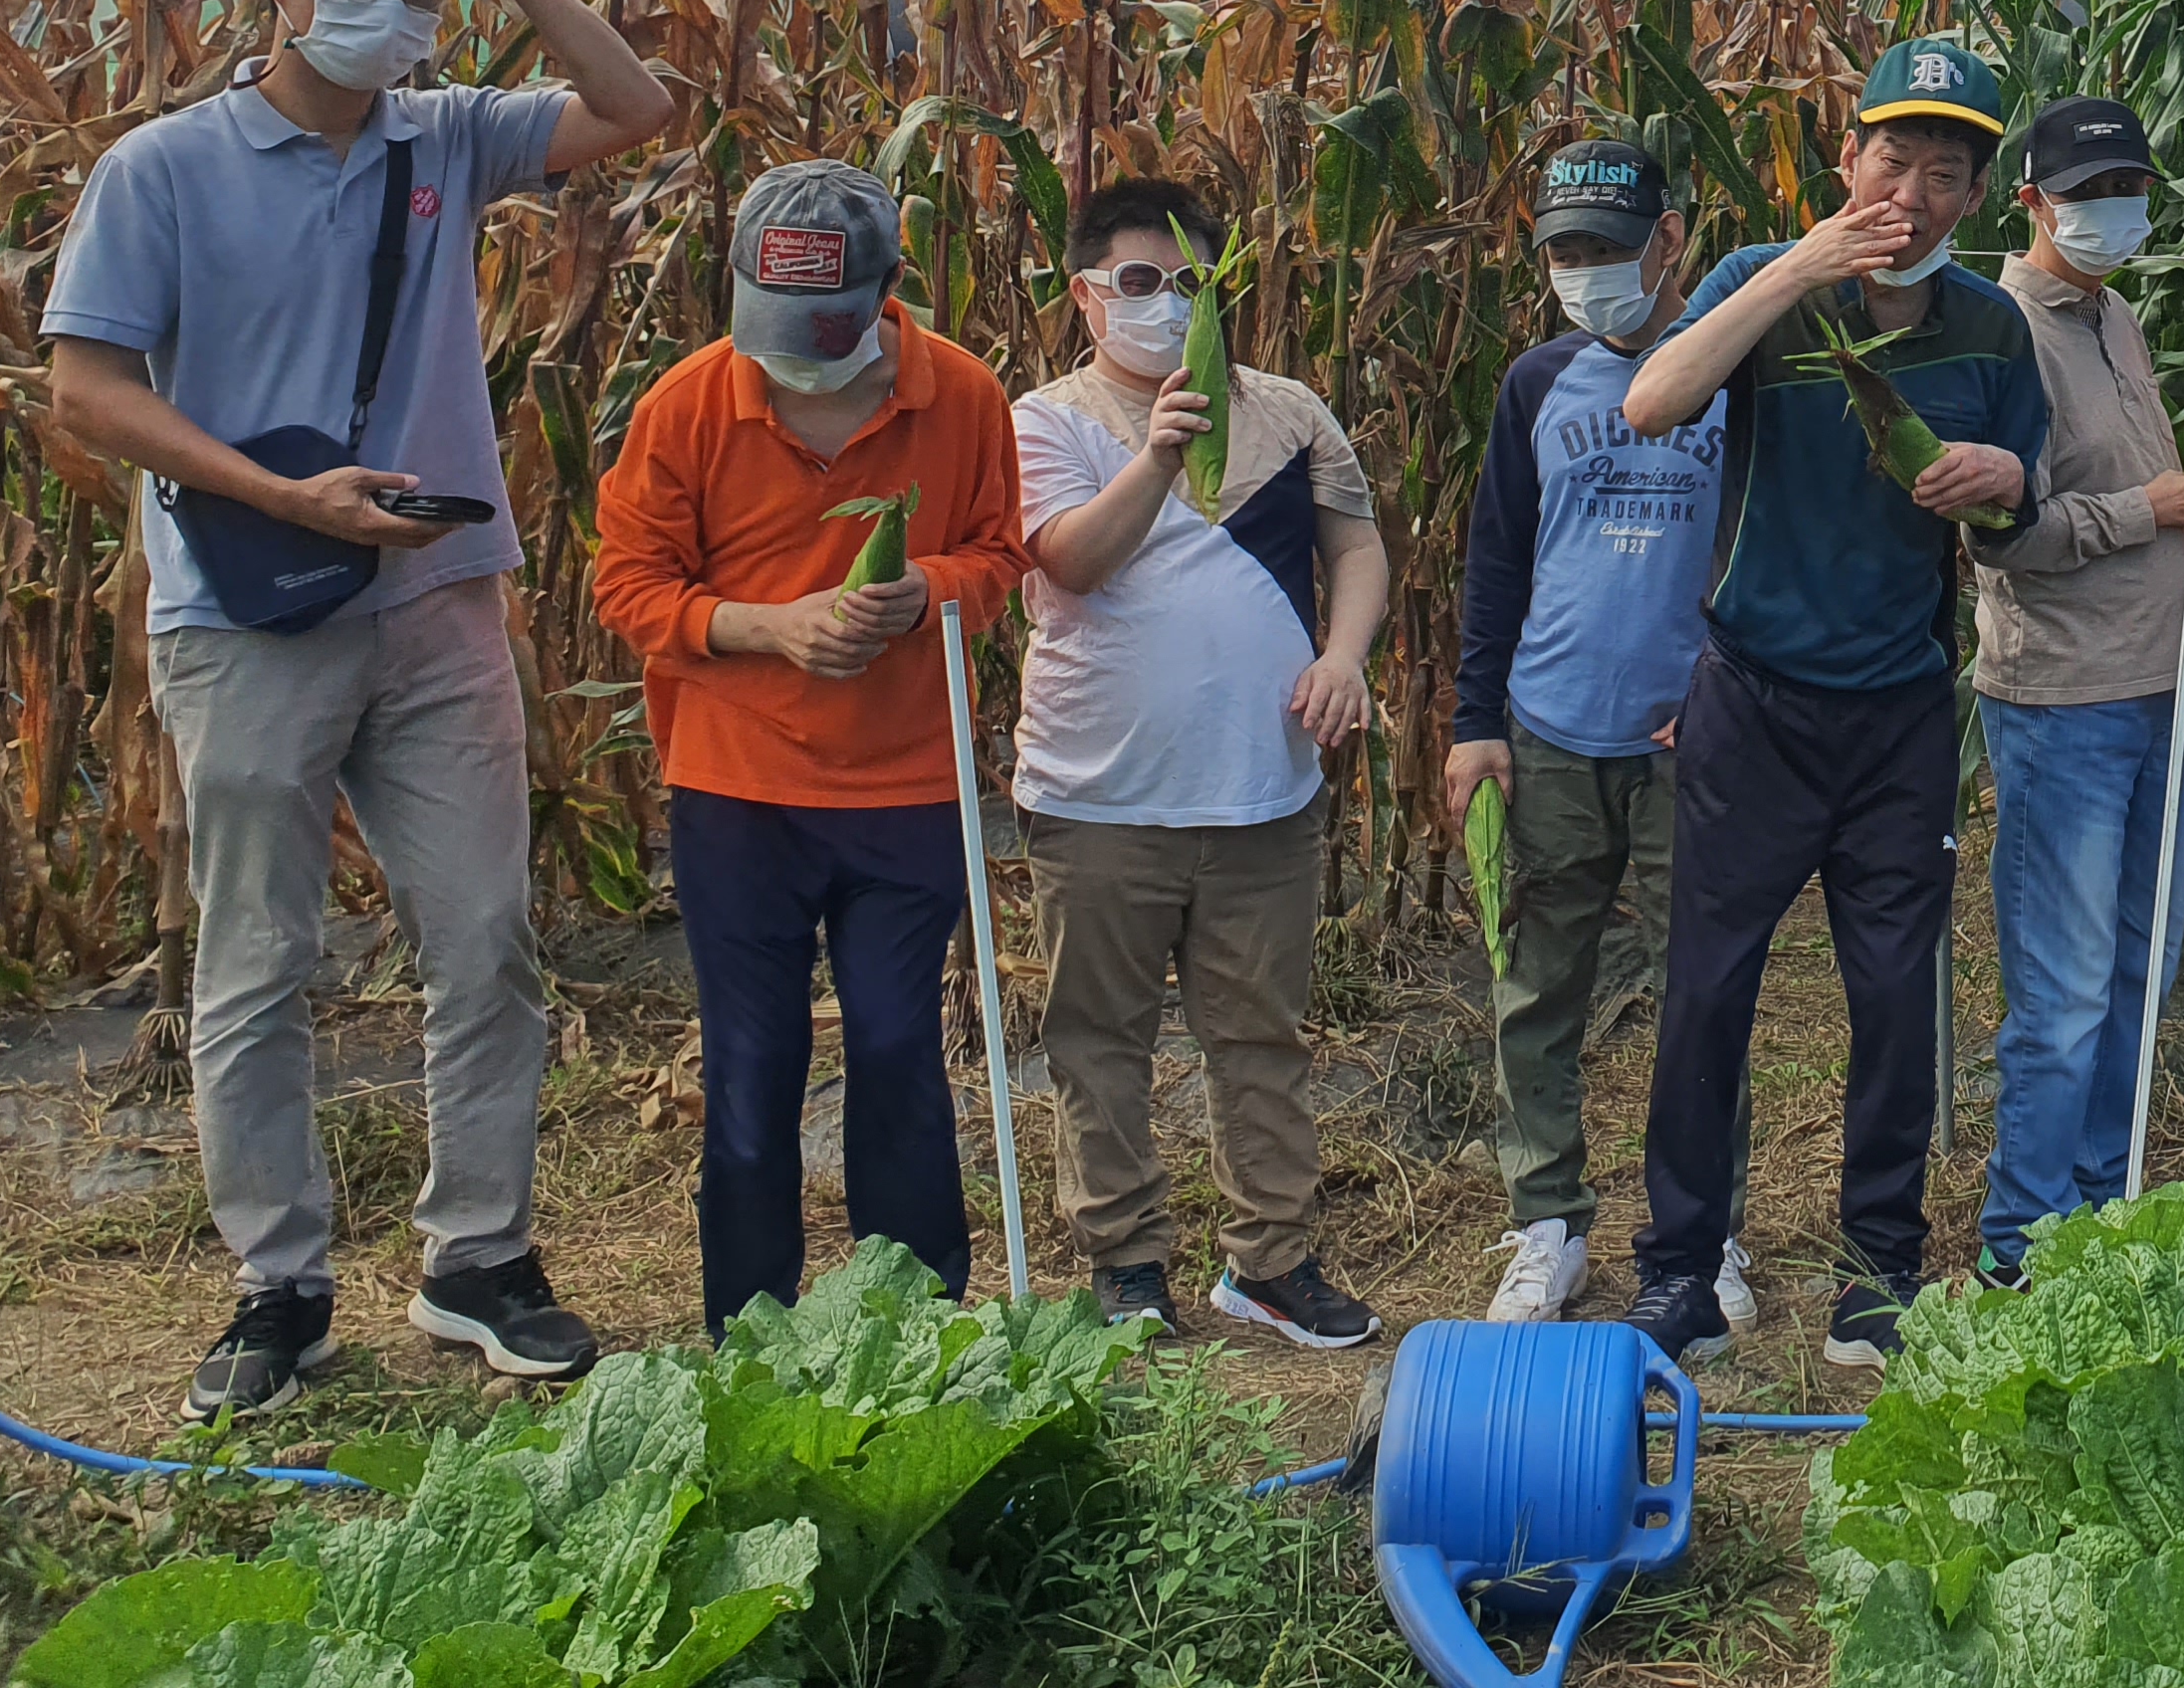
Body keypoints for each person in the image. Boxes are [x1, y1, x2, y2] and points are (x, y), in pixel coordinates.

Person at [45, 0, 672, 1421]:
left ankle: (480, 1257)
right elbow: (87, 389)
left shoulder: (446, 138)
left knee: (485, 938)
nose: (389, 9)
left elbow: (636, 104)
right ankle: (280, 1286)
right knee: (259, 957)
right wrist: (282, 496)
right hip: (248, 614)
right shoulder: (162, 171)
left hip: (439, 602)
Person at [1614, 40, 2048, 1371]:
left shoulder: (1991, 328)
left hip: (1899, 714)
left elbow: (2019, 517)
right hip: (1752, 703)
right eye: (1892, 160)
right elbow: (1651, 401)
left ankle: (1880, 1270)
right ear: (1846, 159)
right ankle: (1680, 1269)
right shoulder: (1763, 284)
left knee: (1895, 998)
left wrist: (2003, 480)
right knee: (1709, 991)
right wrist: (1795, 270)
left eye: (1945, 172)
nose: (1911, 194)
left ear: (1977, 196)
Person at [591, 160, 1030, 1334]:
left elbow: (999, 556)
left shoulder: (963, 397)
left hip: (907, 786)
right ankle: (749, 1336)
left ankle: (915, 1327)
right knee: (752, 1065)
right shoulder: (687, 405)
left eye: (825, 332)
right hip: (738, 787)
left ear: (888, 291)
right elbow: (628, 586)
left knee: (896, 1047)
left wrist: (925, 593)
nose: (795, 362)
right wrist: (765, 628)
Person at [1013, 174, 1390, 1351]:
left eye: (1192, 283)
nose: (1167, 303)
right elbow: (1073, 561)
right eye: (1139, 280)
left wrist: (1345, 656)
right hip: (1099, 798)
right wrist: (1162, 453)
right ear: (1085, 294)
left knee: (1259, 1037)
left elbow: (1356, 545)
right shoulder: (1046, 421)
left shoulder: (1290, 411)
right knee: (1099, 1040)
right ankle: (1125, 1261)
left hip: (1262, 794)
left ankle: (1272, 1262)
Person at [1446, 133, 1754, 1331]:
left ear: (1670, 239)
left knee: (1703, 994)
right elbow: (1496, 559)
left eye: (1609, 249)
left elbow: (1760, 545)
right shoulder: (1537, 384)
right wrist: (1476, 722)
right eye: (1565, 252)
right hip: (1551, 730)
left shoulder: (1736, 370)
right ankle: (1547, 1224)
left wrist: (1727, 689)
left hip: (1692, 740)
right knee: (1536, 987)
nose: (1586, 272)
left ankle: (1705, 1230)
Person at [1969, 96, 2184, 1280]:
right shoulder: (2003, 329)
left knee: (2141, 964)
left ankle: (2098, 1204)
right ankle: (2022, 1244)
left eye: (2129, 190)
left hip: (2159, 681)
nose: (2114, 213)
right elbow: (2001, 535)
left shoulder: (2114, 314)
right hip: (2064, 699)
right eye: (2088, 195)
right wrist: (2151, 509)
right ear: (2032, 202)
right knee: (2065, 990)